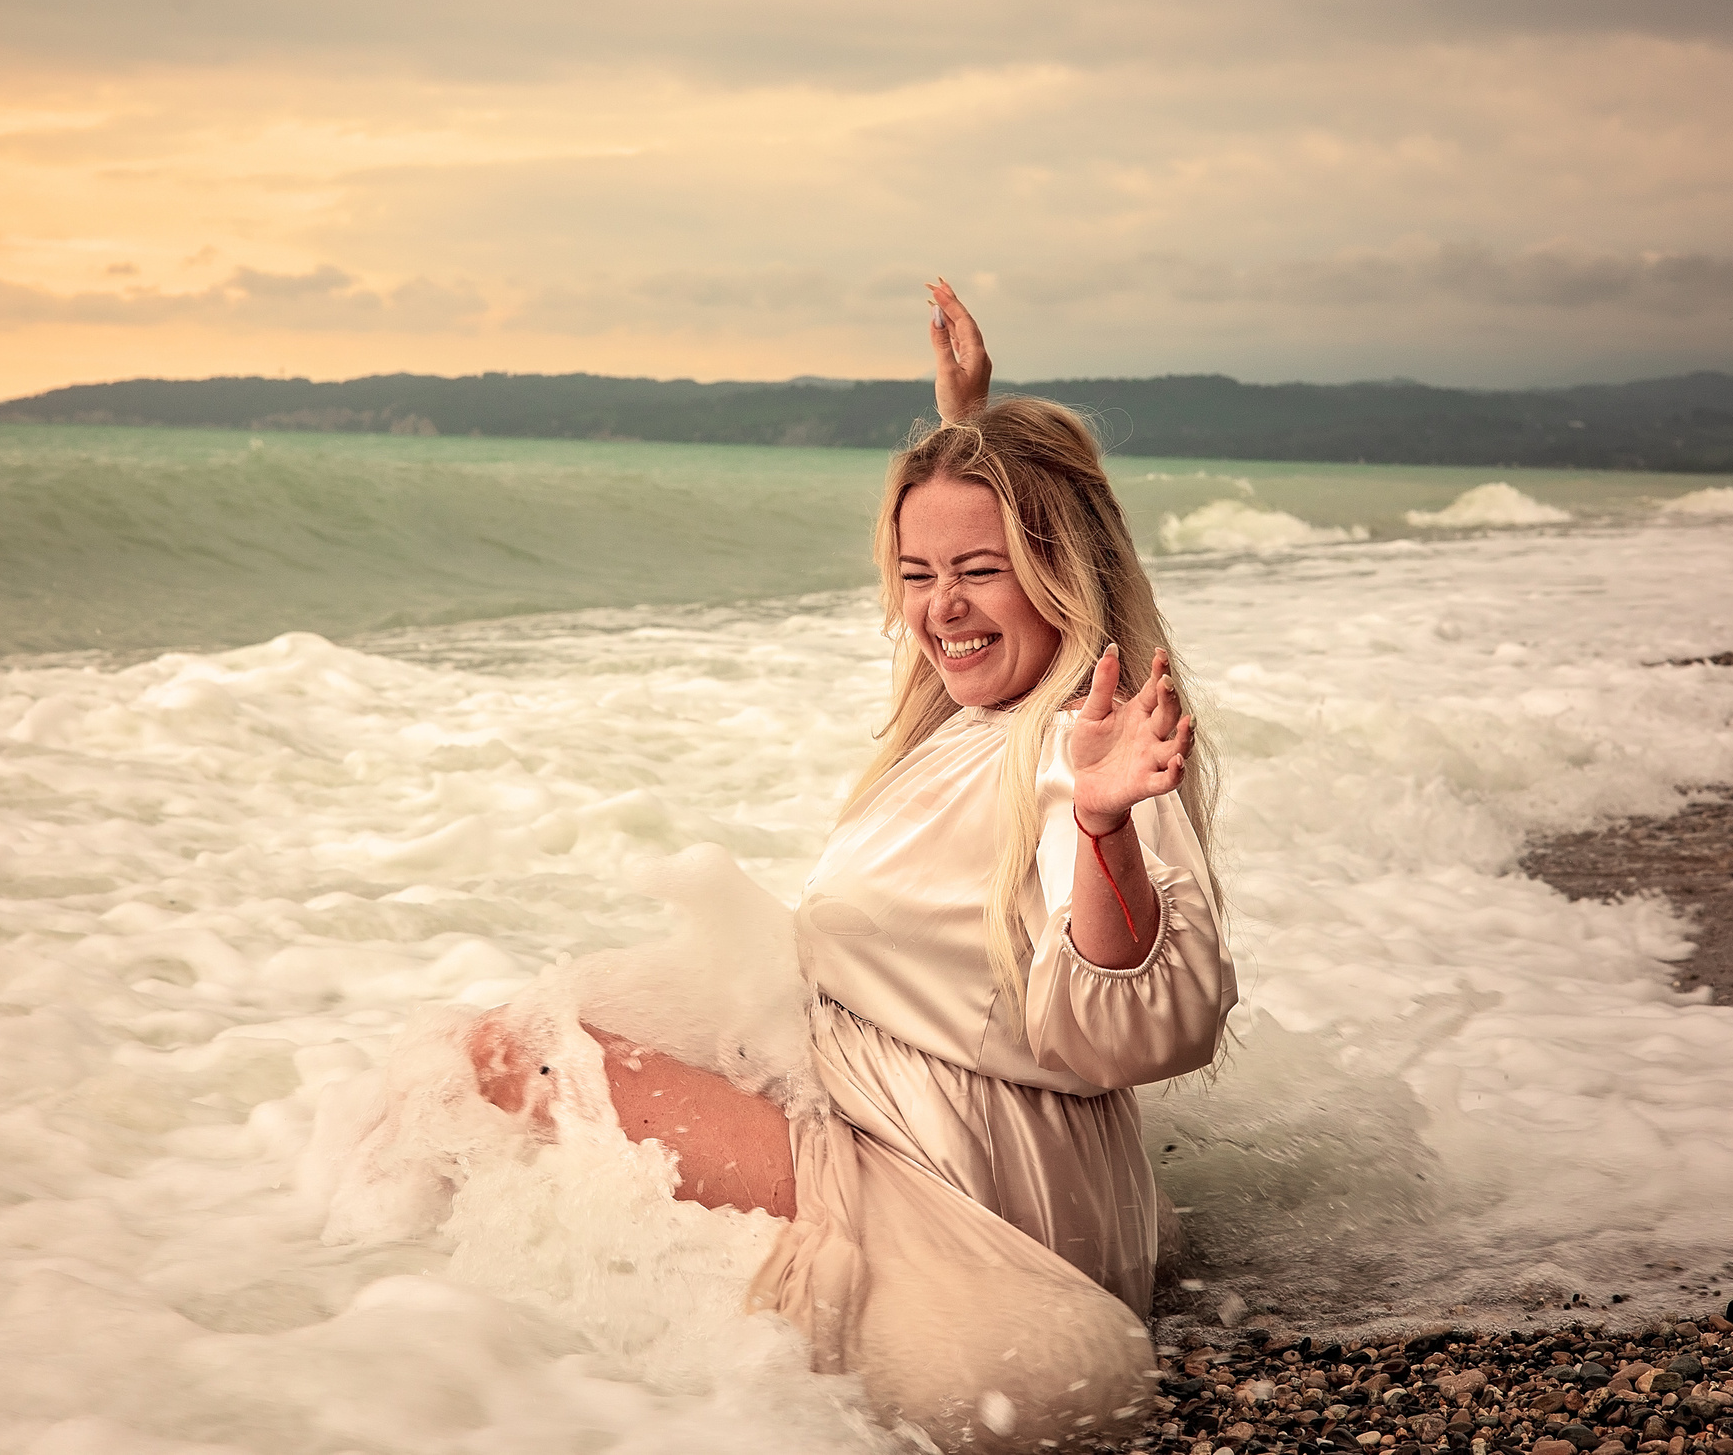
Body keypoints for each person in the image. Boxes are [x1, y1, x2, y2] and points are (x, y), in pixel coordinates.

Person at [470, 283, 1236, 1450]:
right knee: (551, 1040)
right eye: (916, 574)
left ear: (1061, 567)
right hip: (925, 1114)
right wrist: (969, 429)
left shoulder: (1078, 751)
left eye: (979, 569)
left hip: (941, 1167)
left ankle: (476, 1365)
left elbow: (1133, 1030)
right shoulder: (982, 715)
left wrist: (1100, 829)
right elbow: (973, 599)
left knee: (507, 1051)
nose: (939, 609)